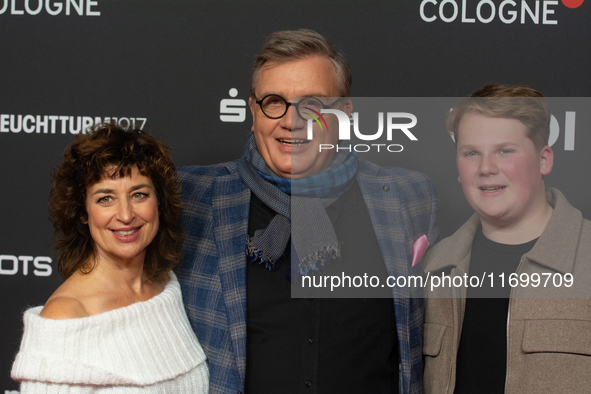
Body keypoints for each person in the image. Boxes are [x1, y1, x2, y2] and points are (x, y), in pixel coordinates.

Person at [177, 29, 438, 394]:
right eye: (273, 102)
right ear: (253, 112)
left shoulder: (407, 197)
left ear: (344, 113)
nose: (291, 120)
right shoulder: (191, 198)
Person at [11, 124, 209, 393]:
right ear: (83, 212)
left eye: (139, 195)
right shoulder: (65, 317)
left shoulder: (167, 286)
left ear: (159, 203)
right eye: (106, 199)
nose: (126, 215)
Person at [423, 84, 591, 393]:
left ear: (544, 160)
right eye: (471, 153)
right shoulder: (436, 268)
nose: (486, 168)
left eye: (505, 151)